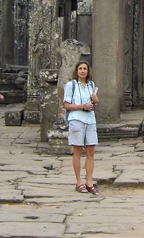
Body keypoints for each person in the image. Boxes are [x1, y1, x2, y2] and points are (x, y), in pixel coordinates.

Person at [63, 61, 99, 195]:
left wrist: (95, 100)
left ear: (88, 71)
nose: (83, 71)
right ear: (76, 71)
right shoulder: (70, 85)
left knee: (91, 151)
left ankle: (89, 182)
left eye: (85, 69)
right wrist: (82, 106)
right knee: (77, 150)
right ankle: (79, 182)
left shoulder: (91, 85)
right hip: (76, 119)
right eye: (80, 68)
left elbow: (94, 102)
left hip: (90, 120)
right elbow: (66, 105)